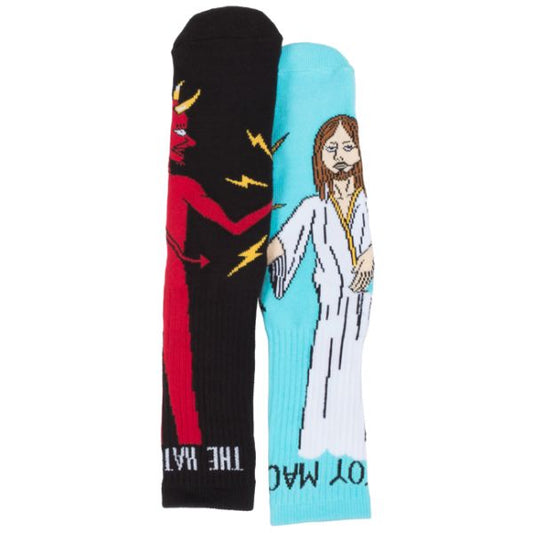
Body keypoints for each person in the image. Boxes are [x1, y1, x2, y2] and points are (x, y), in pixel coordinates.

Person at [266, 114, 374, 460]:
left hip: (358, 308)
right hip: (327, 310)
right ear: (320, 155)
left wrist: (368, 256)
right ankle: (314, 453)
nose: (340, 155)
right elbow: (282, 243)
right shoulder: (314, 206)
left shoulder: (364, 202)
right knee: (324, 377)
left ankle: (346, 455)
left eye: (348, 146)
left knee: (347, 375)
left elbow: (369, 247)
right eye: (331, 148)